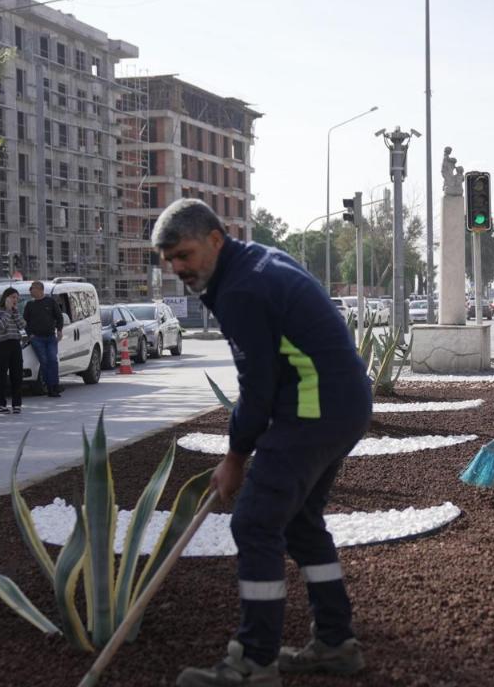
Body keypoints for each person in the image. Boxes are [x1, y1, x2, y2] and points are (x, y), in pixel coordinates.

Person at [154, 199, 372, 687]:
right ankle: (336, 644)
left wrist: (235, 456)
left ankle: (254, 662)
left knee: (254, 523)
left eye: (184, 255)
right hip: (340, 405)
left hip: (315, 408)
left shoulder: (243, 289)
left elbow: (258, 386)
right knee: (300, 524)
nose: (177, 268)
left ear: (215, 239)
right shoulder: (254, 262)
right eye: (169, 260)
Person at [22, 280, 64, 397]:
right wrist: (30, 334)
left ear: (40, 290)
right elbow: (25, 322)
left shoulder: (50, 302)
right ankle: (50, 387)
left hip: (50, 337)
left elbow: (59, 317)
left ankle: (55, 385)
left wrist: (59, 330)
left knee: (52, 360)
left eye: (33, 288)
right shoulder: (30, 305)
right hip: (37, 339)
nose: (30, 290)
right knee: (44, 362)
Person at [0, 287, 28, 414]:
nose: (15, 300)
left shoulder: (15, 311)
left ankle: (17, 404)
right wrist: (7, 310)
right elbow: (1, 326)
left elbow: (23, 325)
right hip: (2, 345)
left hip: (15, 344)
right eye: (13, 297)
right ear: (6, 298)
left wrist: (15, 312)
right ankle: (0, 404)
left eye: (17, 298)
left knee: (17, 374)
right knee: (1, 375)